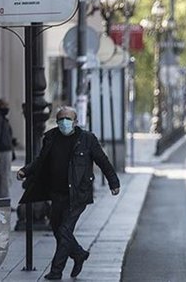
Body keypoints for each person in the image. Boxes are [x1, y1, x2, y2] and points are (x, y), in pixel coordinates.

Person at [16, 106, 120, 280]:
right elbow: (41, 160)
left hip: (78, 194)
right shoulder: (50, 138)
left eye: (68, 119)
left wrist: (113, 182)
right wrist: (25, 171)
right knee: (58, 230)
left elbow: (103, 161)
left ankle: (56, 271)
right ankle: (79, 254)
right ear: (57, 122)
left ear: (76, 122)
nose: (65, 122)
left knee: (64, 230)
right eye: (61, 119)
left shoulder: (87, 139)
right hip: (57, 193)